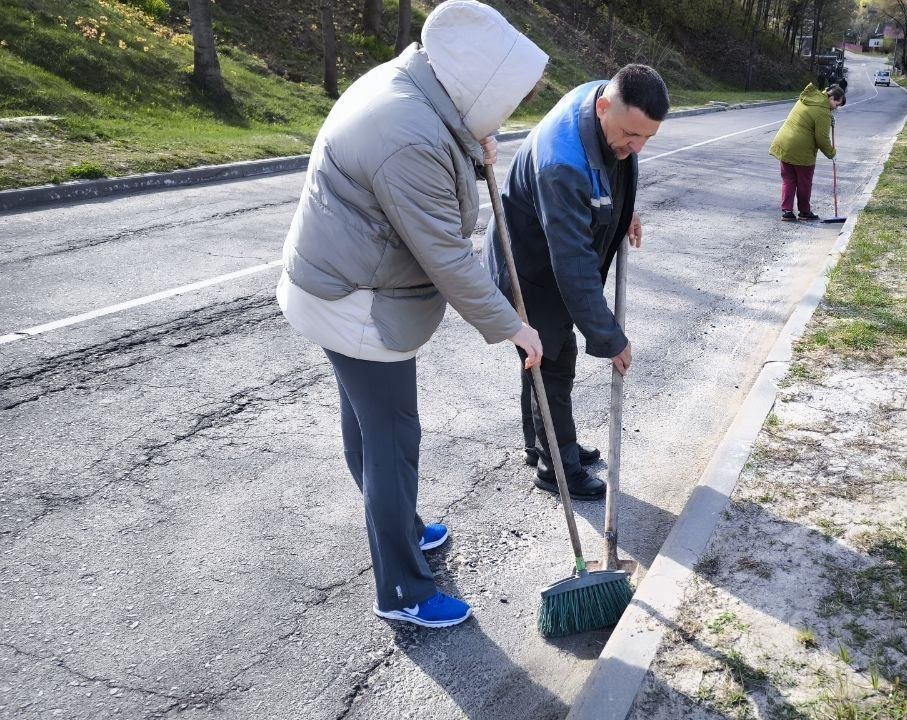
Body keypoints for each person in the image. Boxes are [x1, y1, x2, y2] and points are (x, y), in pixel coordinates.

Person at [275, 0, 547, 629]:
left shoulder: (411, 88)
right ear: (475, 84)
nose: (505, 112)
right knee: (392, 440)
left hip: (333, 282)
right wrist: (512, 324)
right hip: (356, 304)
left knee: (369, 427)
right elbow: (449, 255)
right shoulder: (408, 135)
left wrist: (473, 150)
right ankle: (402, 591)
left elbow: (439, 188)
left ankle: (405, 525)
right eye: (502, 99)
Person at [486, 64, 669, 500]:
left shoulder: (602, 104)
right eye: (632, 134)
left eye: (648, 137)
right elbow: (574, 267)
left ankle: (542, 443)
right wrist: (609, 337)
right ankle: (557, 468)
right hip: (530, 265)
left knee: (543, 354)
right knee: (551, 356)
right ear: (604, 107)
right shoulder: (562, 164)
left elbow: (608, 173)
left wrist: (623, 215)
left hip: (551, 249)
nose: (638, 146)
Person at [768, 83, 844, 221]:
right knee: (804, 182)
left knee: (788, 179)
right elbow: (821, 139)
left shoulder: (807, 98)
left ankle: (787, 212)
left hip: (785, 144)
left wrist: (828, 119)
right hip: (802, 150)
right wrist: (832, 154)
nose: (835, 108)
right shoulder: (823, 111)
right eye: (836, 104)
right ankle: (804, 211)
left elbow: (809, 118)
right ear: (831, 97)